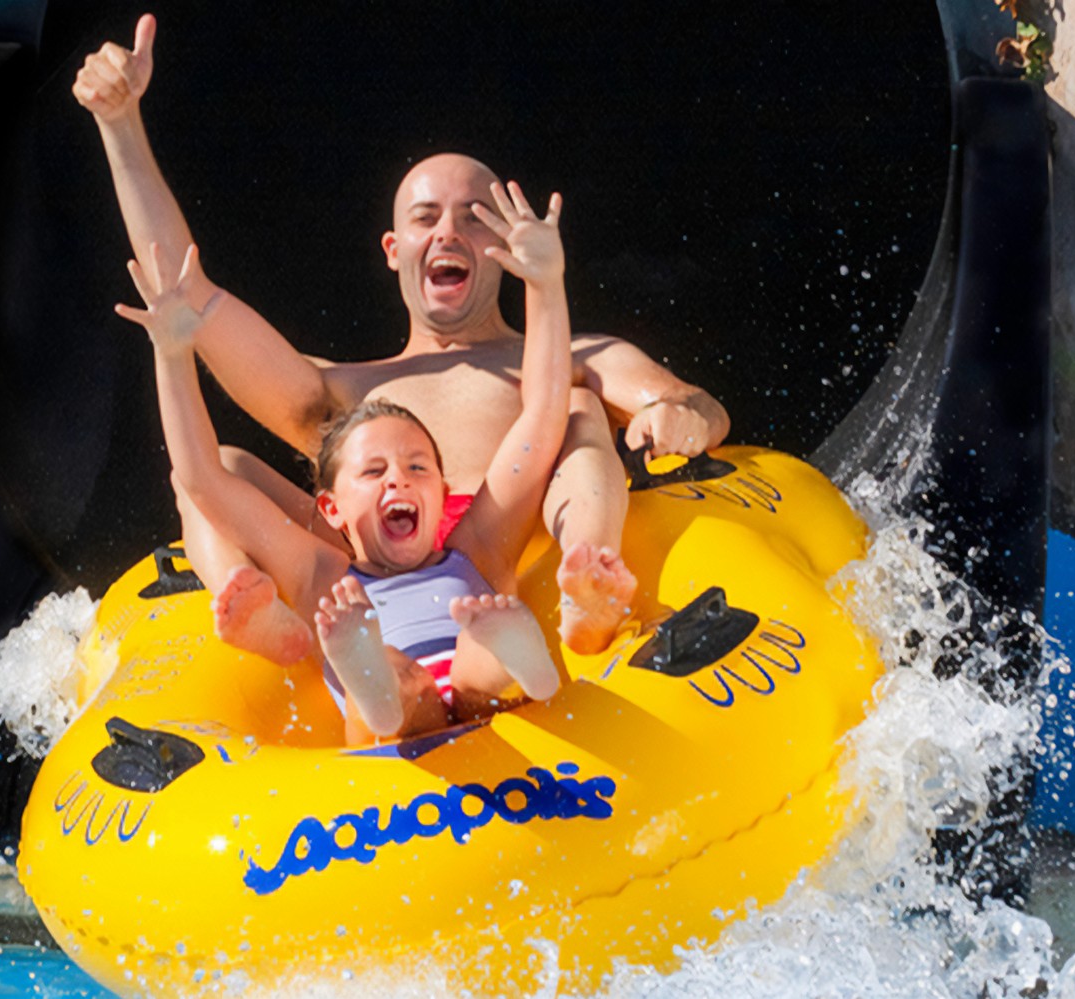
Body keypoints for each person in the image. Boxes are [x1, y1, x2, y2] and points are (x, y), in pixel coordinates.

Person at [73, 14, 730, 661]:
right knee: (222, 466)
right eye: (425, 219)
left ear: (505, 245)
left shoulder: (573, 358)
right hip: (363, 578)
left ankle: (592, 575)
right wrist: (121, 124)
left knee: (579, 409)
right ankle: (261, 618)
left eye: (473, 219)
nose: (447, 234)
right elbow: (185, 291)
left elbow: (691, 404)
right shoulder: (336, 393)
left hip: (510, 539)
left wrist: (679, 416)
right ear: (395, 249)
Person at [118, 178, 570, 743]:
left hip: (484, 698)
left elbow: (544, 415)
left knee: (478, 653)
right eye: (374, 472)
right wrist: (172, 355)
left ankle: (512, 658)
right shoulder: (322, 578)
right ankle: (376, 683)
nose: (398, 479)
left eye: (417, 468)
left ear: (442, 490)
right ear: (329, 508)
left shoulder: (478, 547)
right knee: (401, 678)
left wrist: (546, 286)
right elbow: (203, 478)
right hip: (393, 719)